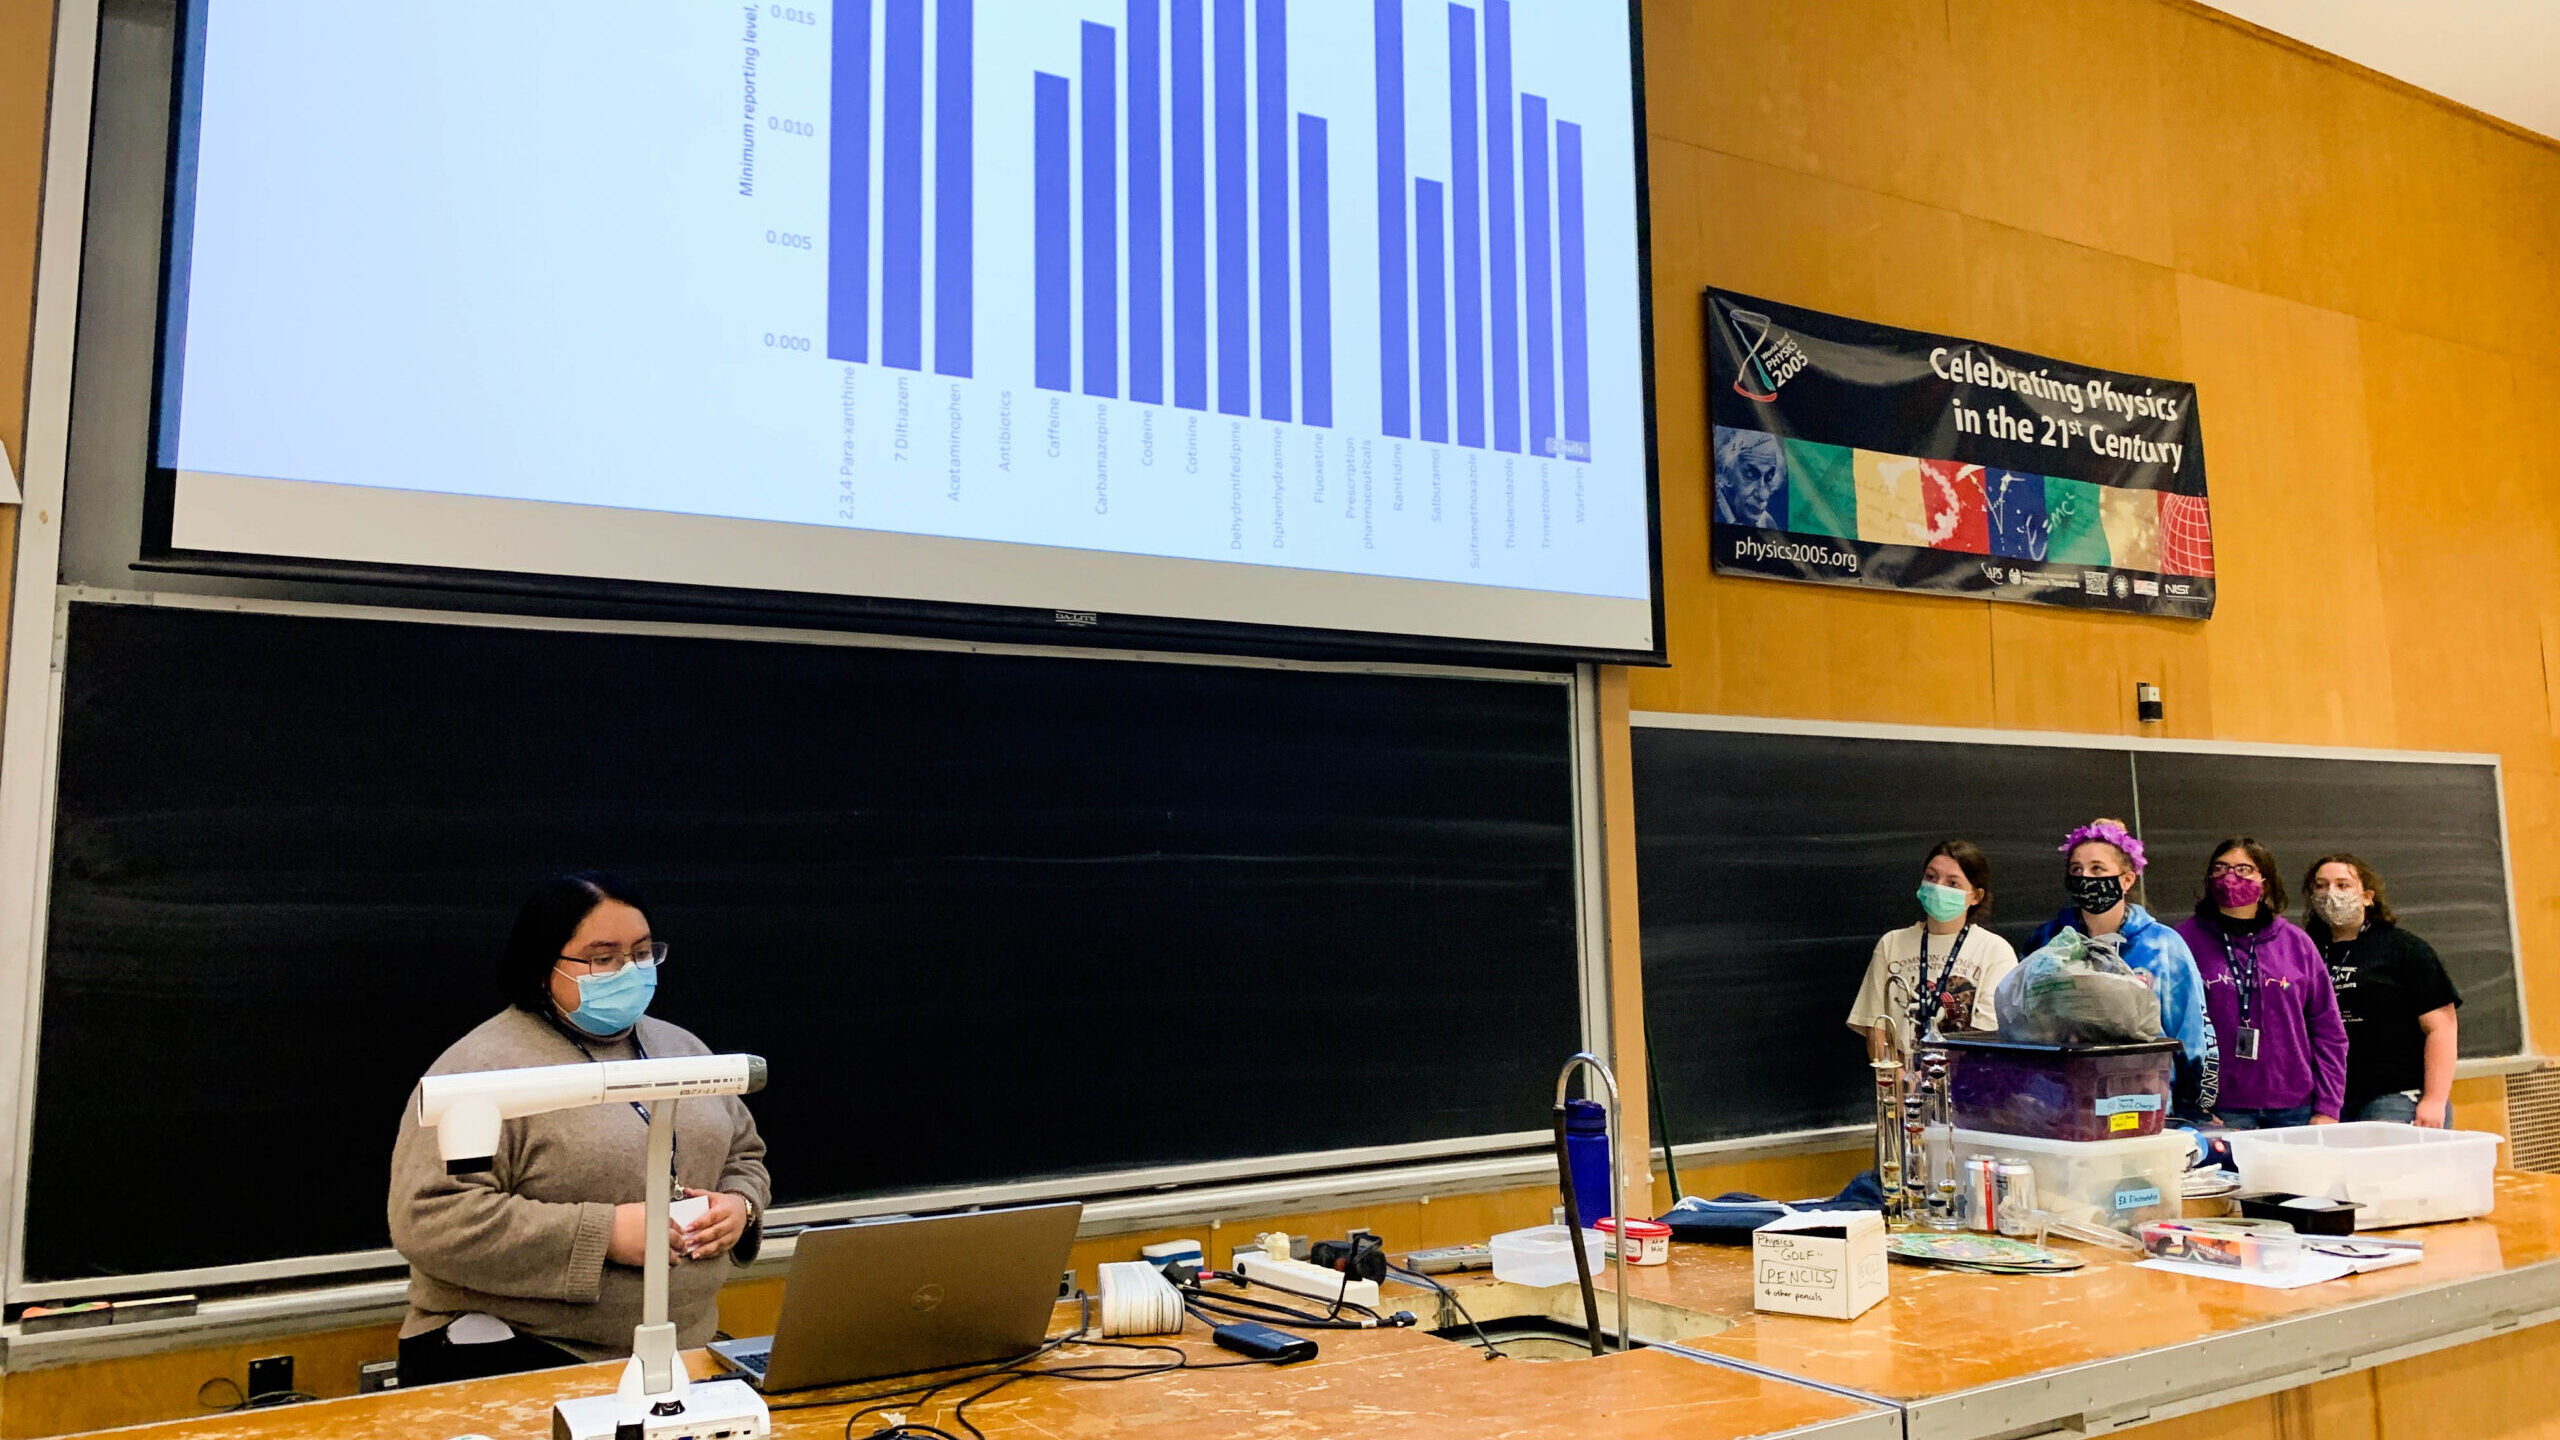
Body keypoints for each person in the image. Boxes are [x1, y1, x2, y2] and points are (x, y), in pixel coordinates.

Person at [389, 873, 770, 1387]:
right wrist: (604, 1235)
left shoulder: (683, 1051)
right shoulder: (479, 1070)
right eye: (602, 957)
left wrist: (740, 1207)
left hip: (681, 1355)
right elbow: (431, 1218)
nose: (628, 971)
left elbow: (744, 1155)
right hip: (520, 1354)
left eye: (640, 953)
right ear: (543, 965)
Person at [2031, 819, 2219, 1117]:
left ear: (2128, 879)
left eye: (2097, 869)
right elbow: (2025, 1025)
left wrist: (2195, 1110)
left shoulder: (2164, 946)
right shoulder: (2047, 942)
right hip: (2063, 1107)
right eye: (2076, 869)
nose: (2085, 877)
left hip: (2146, 1106)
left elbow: (2193, 1034)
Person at [2170, 840, 2348, 1129]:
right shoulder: (2183, 940)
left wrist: (2328, 1107)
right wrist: (2192, 1105)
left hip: (2295, 1107)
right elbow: (2170, 1029)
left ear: (2265, 882)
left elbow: (2328, 1030)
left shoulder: (2296, 943)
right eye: (2221, 868)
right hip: (2219, 1107)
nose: (2230, 877)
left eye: (2244, 869)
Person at [2302, 854, 2461, 1126]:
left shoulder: (2404, 949)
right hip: (2330, 1099)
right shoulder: (2304, 950)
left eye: (2343, 885)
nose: (2331, 894)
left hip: (2396, 1096)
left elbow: (2442, 1027)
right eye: (2321, 886)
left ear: (2367, 896)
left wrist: (2434, 1101)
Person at [1845, 840, 2020, 1062]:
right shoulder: (1891, 944)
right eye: (1931, 877)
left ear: (1975, 896)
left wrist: (1937, 1083)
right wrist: (1904, 1085)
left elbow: (1987, 1037)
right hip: (1902, 1088)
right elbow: (1876, 1027)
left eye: (1953, 883)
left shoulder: (1995, 950)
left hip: (1965, 1086)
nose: (1938, 888)